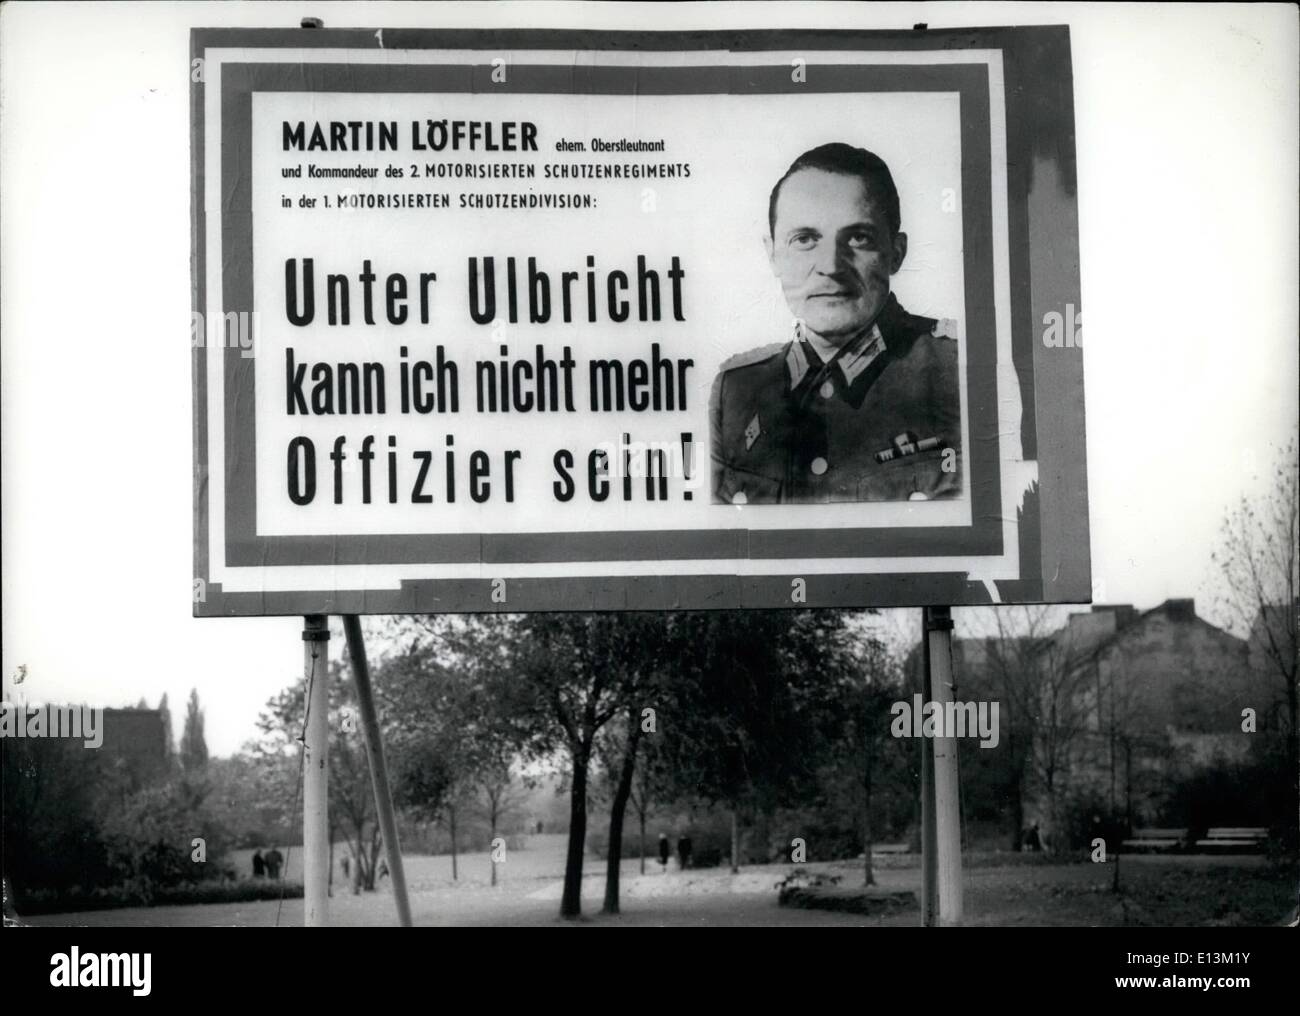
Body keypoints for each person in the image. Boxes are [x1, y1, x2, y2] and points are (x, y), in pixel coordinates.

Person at [711, 142, 962, 505]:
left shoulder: (963, 371)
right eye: (805, 239)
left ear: (897, 253)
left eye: (859, 238)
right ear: (773, 255)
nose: (830, 265)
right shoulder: (735, 391)